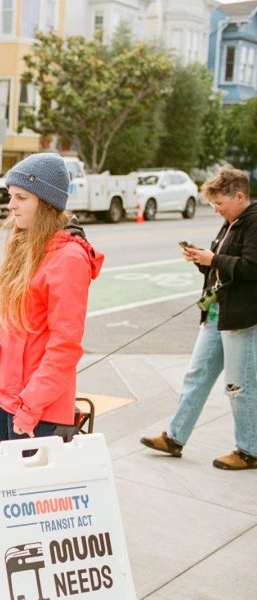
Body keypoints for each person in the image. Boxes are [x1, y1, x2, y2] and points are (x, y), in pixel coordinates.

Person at [140, 165, 257, 470]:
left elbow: (251, 267)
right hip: (218, 314)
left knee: (239, 385)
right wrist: (202, 261)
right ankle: (175, 437)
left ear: (240, 196)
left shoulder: (253, 221)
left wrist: (213, 258)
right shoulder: (231, 222)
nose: (216, 209)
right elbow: (225, 268)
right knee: (197, 375)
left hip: (242, 317)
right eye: (213, 204)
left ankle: (250, 450)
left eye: (220, 203)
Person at [0, 153, 104, 450]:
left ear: (47, 202)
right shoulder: (27, 242)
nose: (11, 205)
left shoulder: (68, 258)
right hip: (8, 397)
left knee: (24, 491)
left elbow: (65, 345)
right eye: (11, 196)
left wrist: (30, 405)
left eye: (21, 197)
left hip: (37, 409)